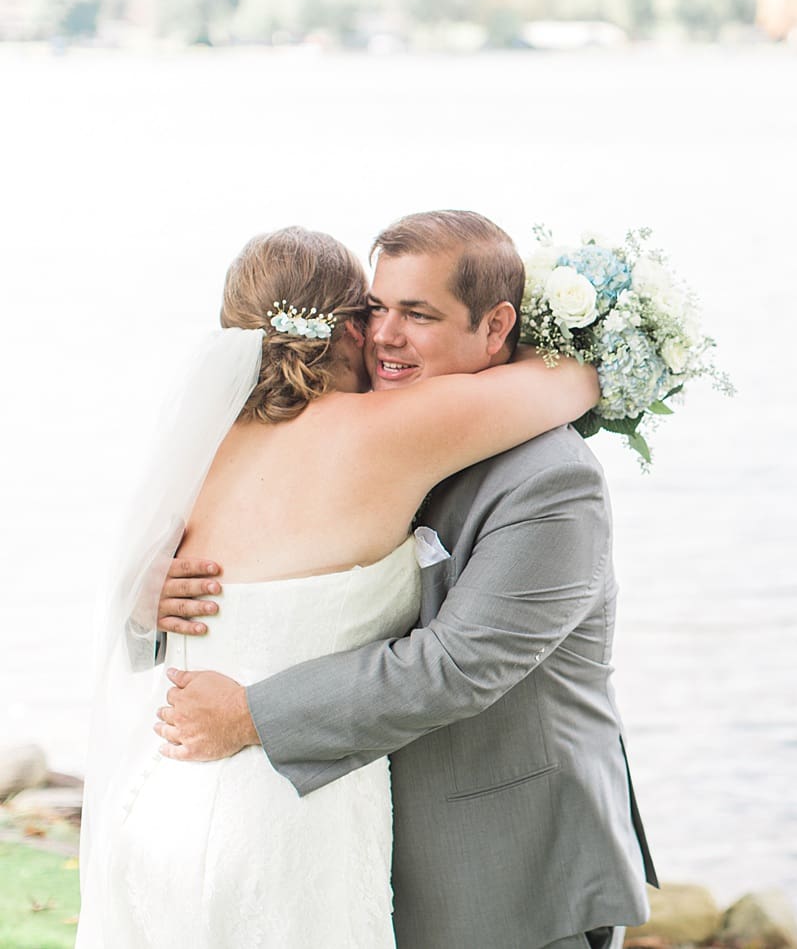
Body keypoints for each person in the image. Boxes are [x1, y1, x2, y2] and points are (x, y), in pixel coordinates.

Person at [77, 223, 599, 947]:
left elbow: (150, 594)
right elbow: (574, 380)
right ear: (347, 327)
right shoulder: (387, 428)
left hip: (157, 802)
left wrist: (143, 597)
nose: (385, 334)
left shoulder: (204, 446)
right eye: (373, 310)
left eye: (409, 313)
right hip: (284, 815)